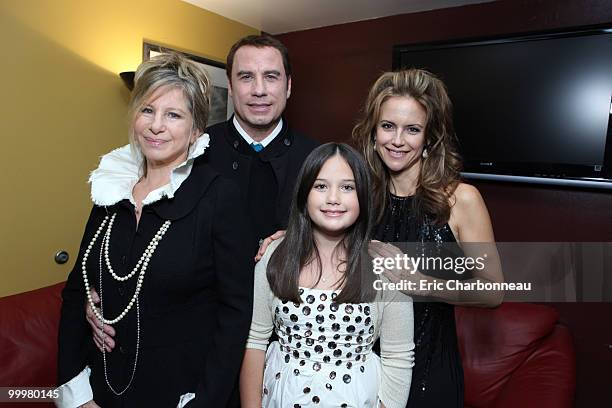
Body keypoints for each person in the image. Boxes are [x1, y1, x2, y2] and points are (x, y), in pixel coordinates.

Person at [86, 33, 319, 353]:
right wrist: (99, 291)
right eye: (246, 76)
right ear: (231, 84)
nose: (259, 90)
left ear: (288, 86)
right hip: (198, 339)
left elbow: (343, 248)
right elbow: (138, 233)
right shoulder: (186, 150)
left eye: (271, 77)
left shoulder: (320, 160)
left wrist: (303, 240)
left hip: (292, 339)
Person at [56, 53, 254, 408]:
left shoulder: (219, 196)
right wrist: (75, 391)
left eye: (173, 114)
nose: (156, 125)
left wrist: (202, 402)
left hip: (176, 394)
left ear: (196, 129)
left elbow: (235, 314)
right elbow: (76, 291)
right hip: (97, 391)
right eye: (147, 110)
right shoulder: (110, 188)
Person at [352, 69, 503, 407]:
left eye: (413, 129)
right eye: (388, 126)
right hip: (366, 370)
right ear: (373, 133)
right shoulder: (361, 198)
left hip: (431, 373)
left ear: (430, 138)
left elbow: (493, 292)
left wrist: (421, 282)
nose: (397, 140)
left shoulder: (460, 200)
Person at [240, 143, 415, 408]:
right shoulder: (275, 254)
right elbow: (254, 340)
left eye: (347, 187)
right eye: (321, 186)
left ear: (363, 197)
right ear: (304, 194)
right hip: (281, 397)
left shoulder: (386, 264)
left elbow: (398, 357)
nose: (333, 198)